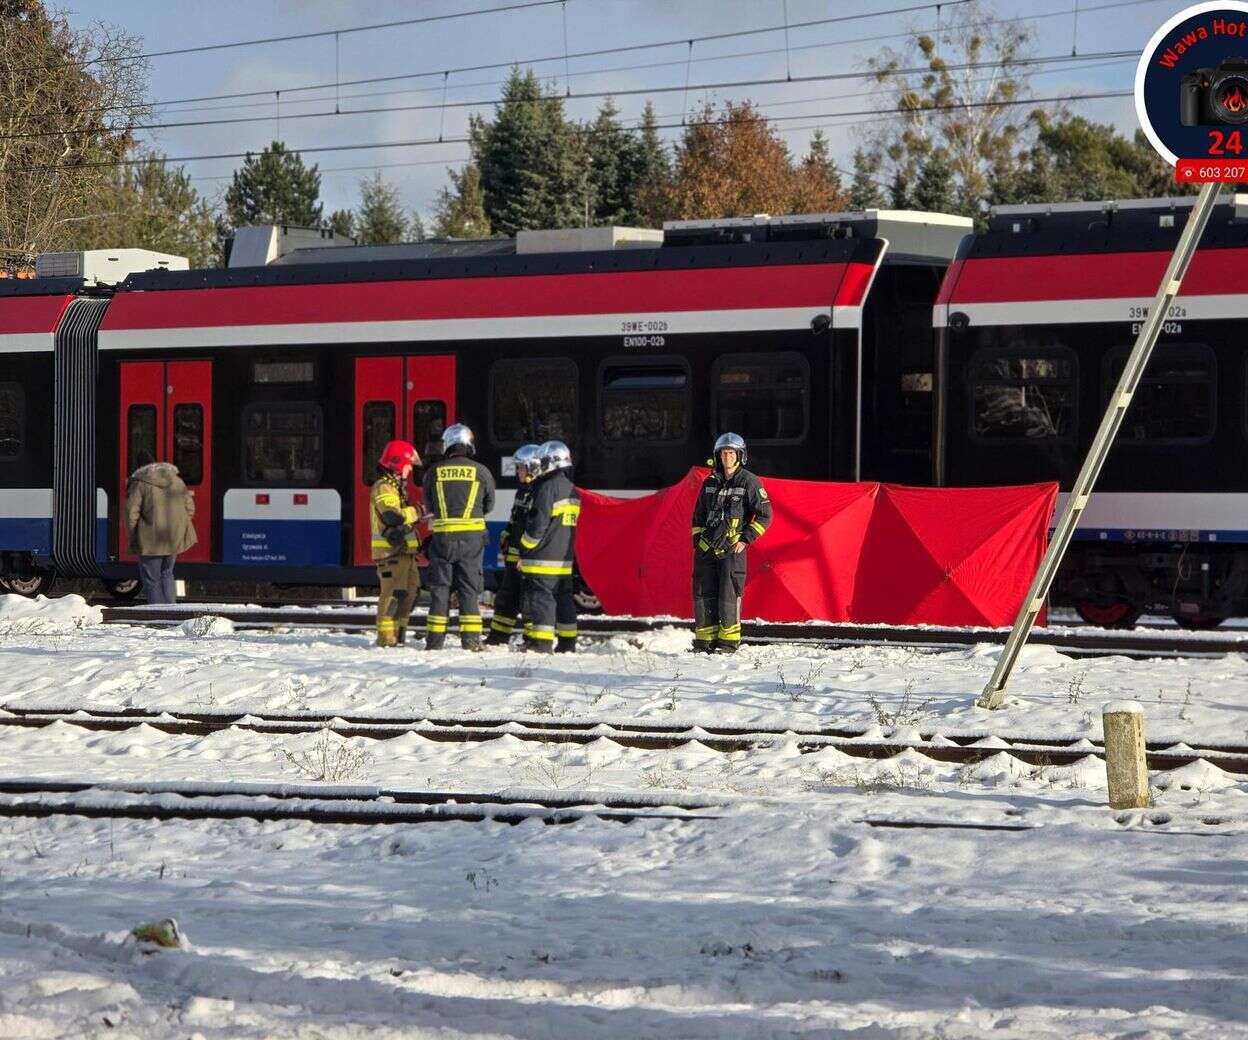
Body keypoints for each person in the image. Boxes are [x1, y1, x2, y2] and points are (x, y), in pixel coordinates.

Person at [691, 432, 772, 654]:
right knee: (702, 593)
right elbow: (698, 515)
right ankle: (704, 641)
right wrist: (697, 541)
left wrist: (745, 539)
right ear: (717, 456)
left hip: (731, 549)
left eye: (731, 453)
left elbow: (765, 515)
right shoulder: (709, 482)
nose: (727, 457)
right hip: (706, 549)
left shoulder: (749, 481)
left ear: (740, 456)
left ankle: (728, 642)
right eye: (723, 453)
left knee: (728, 594)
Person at [422, 423, 496, 651]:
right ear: (469, 445)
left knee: (440, 590)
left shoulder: (434, 472)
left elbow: (429, 505)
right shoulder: (482, 471)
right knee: (468, 590)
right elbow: (489, 505)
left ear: (448, 445)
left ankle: (434, 642)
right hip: (472, 542)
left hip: (442, 540)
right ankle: (472, 642)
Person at [518, 440, 580, 654]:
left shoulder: (546, 488)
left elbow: (537, 525)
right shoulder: (572, 489)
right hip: (564, 559)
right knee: (564, 600)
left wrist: (523, 548)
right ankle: (568, 643)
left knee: (542, 599)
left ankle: (542, 644)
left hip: (543, 558)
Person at [124, 449, 197, 605]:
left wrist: (134, 535)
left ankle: (157, 613)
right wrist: (178, 527)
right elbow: (190, 508)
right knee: (167, 573)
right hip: (173, 538)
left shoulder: (139, 484)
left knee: (152, 579)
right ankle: (170, 609)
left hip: (150, 539)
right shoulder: (176, 480)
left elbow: (131, 512)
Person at [370, 439, 423, 648]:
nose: (410, 470)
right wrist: (417, 512)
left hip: (404, 553)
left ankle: (398, 635)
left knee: (410, 593)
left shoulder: (396, 488)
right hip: (390, 553)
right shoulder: (384, 488)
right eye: (409, 465)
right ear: (398, 463)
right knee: (392, 595)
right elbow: (393, 516)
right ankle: (385, 638)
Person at [487, 443, 541, 645]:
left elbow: (536, 527)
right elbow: (514, 520)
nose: (517, 471)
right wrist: (506, 534)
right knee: (506, 599)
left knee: (528, 601)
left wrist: (524, 555)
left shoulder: (539, 494)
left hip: (526, 558)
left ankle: (532, 639)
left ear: (534, 468)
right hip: (513, 557)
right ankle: (498, 636)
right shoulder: (522, 492)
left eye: (521, 468)